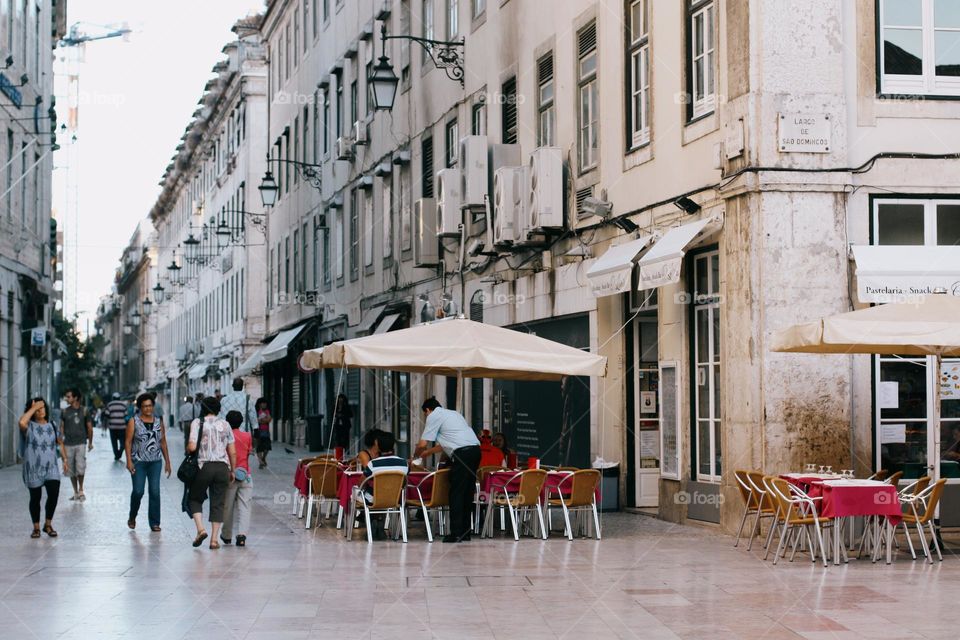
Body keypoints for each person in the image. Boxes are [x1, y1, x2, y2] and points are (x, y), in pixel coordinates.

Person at [415, 397, 481, 543]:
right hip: (475, 451)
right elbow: (448, 442)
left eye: (425, 414)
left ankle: (456, 533)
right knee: (467, 492)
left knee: (456, 493)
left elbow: (422, 444)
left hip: (462, 454)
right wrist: (428, 453)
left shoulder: (433, 416)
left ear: (427, 410)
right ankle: (465, 532)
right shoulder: (453, 414)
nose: (426, 416)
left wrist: (416, 456)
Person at [187, 396, 236, 549]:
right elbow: (232, 452)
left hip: (204, 467)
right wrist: (232, 470)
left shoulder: (197, 422)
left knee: (194, 498)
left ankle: (201, 530)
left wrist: (188, 447)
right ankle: (214, 540)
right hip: (222, 468)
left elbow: (192, 447)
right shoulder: (226, 425)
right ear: (218, 409)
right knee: (218, 503)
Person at [19, 398, 67, 538]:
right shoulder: (29, 426)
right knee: (35, 497)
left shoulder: (52, 425)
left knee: (54, 492)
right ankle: (36, 528)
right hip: (33, 467)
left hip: (51, 467)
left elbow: (60, 442)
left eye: (42, 407)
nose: (41, 411)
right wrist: (33, 408)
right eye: (38, 409)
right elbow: (21, 422)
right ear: (32, 411)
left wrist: (64, 459)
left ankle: (48, 524)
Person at [125, 393, 172, 532]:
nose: (148, 409)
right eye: (145, 406)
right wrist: (128, 461)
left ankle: (155, 523)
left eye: (150, 406)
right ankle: (132, 516)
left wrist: (167, 462)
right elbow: (127, 442)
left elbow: (162, 442)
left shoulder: (158, 421)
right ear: (140, 407)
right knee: (138, 491)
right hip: (138, 462)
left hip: (155, 462)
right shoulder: (134, 421)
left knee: (155, 492)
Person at [362, 431, 408, 540]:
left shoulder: (373, 464)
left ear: (378, 445)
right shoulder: (404, 463)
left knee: (362, 494)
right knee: (382, 496)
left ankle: (373, 521)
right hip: (395, 499)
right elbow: (405, 481)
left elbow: (362, 482)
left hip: (374, 499)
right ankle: (380, 523)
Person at [221, 410, 253, 547]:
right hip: (246, 475)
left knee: (227, 507)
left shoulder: (225, 436)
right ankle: (242, 535)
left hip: (230, 475)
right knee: (245, 506)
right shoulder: (247, 436)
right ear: (241, 422)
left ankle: (226, 535)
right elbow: (248, 453)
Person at [60, 388, 94, 501]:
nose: (67, 398)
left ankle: (81, 490)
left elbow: (89, 427)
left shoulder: (84, 411)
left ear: (75, 397)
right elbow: (62, 427)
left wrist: (90, 442)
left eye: (69, 396)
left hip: (80, 443)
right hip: (68, 444)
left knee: (80, 466)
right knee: (70, 469)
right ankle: (75, 491)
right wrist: (61, 441)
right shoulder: (64, 411)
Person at [104, 393, 129, 461]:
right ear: (119, 398)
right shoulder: (123, 405)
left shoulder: (109, 405)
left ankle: (116, 455)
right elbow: (126, 415)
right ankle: (120, 453)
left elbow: (107, 415)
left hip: (112, 427)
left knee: (114, 442)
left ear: (113, 398)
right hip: (122, 427)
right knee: (123, 443)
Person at [254, 398, 272, 469]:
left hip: (266, 431)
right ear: (259, 404)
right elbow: (256, 420)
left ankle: (263, 458)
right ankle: (260, 461)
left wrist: (261, 420)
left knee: (267, 447)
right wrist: (264, 420)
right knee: (259, 447)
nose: (264, 404)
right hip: (258, 431)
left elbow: (269, 419)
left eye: (265, 403)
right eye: (262, 403)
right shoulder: (256, 412)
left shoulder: (267, 411)